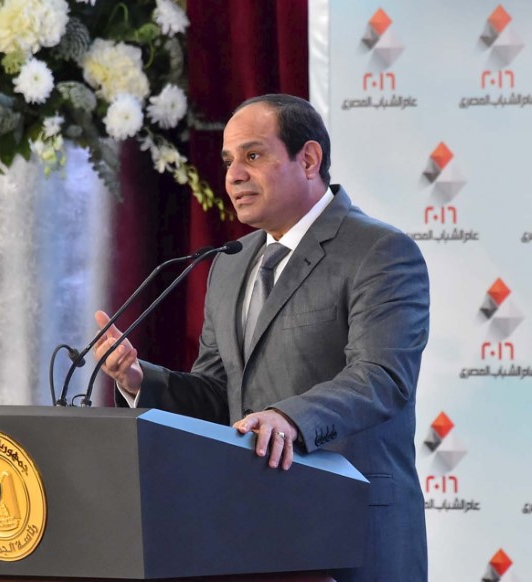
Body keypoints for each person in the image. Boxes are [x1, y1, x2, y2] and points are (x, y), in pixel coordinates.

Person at [93, 94, 429, 582]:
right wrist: (138, 378)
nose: (233, 176)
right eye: (229, 161)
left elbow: (381, 377)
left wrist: (288, 418)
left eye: (253, 156)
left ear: (308, 159)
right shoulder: (230, 263)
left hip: (352, 529)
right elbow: (218, 394)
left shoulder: (379, 251)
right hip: (251, 531)